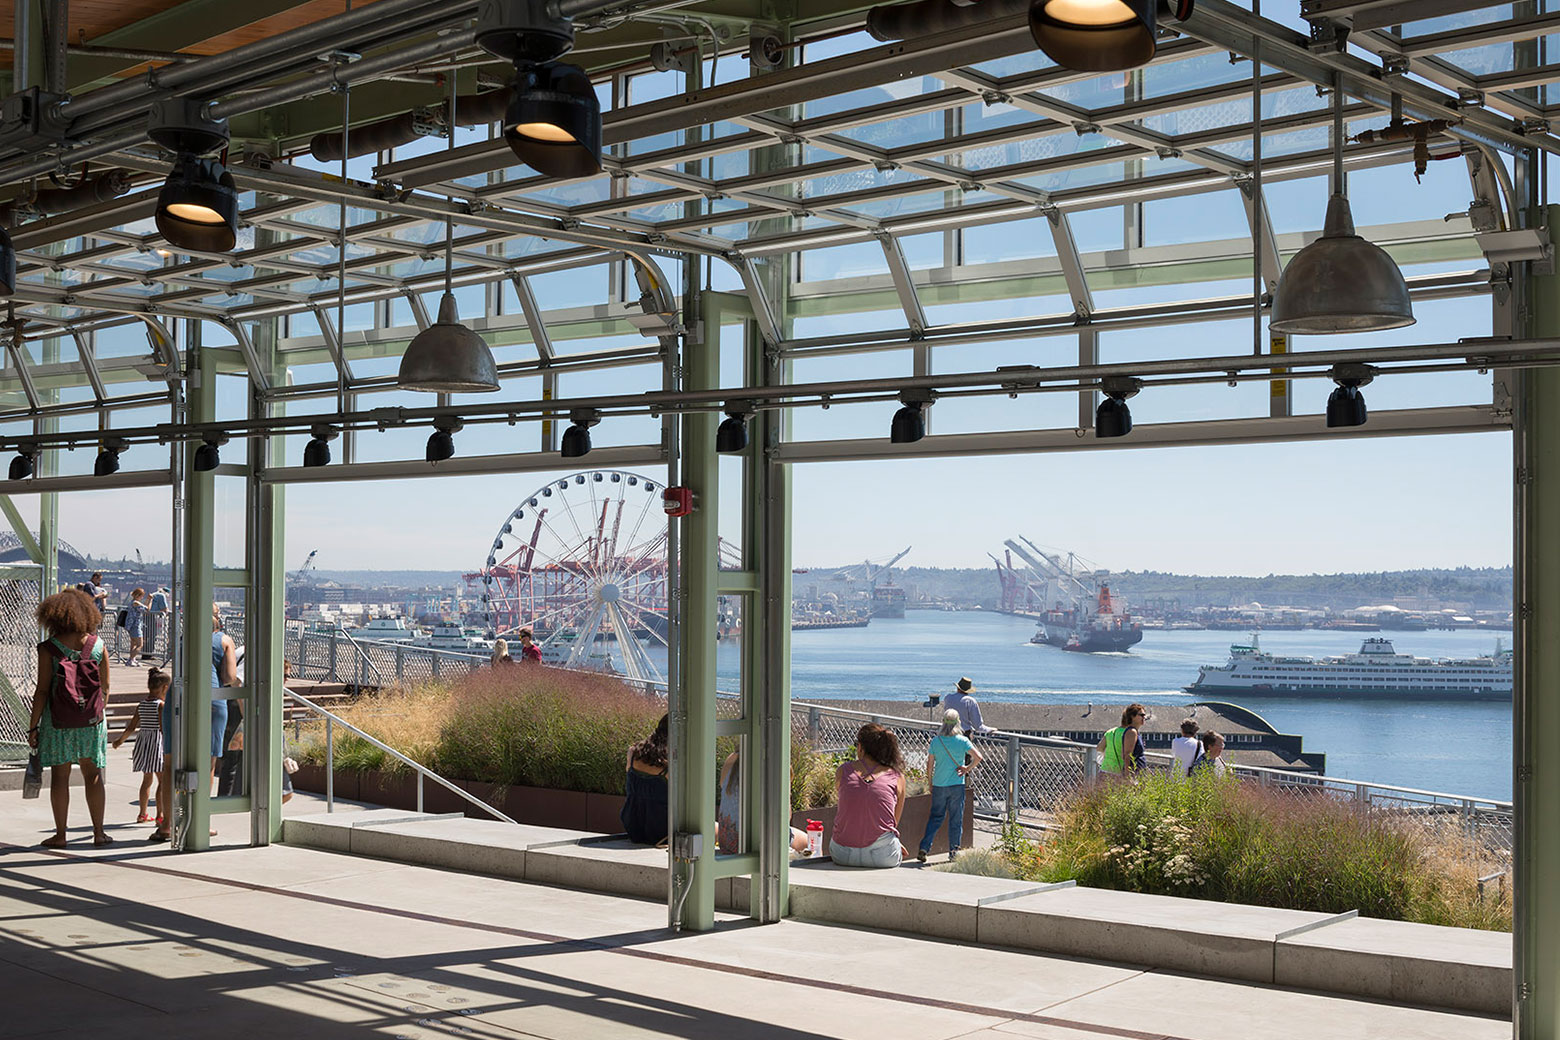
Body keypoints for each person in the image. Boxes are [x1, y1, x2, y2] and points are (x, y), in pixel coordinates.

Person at [26, 588, 112, 847]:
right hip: (91, 721)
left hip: (57, 721)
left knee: (60, 776)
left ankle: (61, 835)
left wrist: (33, 727)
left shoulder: (48, 649)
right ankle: (98, 832)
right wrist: (93, 713)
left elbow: (41, 691)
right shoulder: (98, 646)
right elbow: (105, 688)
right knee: (93, 774)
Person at [830, 723, 908, 868]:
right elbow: (893, 821)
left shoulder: (843, 771)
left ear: (860, 747)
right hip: (883, 855)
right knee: (890, 840)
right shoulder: (897, 777)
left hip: (842, 853)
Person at [917, 709, 982, 863]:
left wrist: (930, 782)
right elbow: (979, 757)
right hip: (956, 785)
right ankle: (953, 852)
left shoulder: (936, 741)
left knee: (936, 817)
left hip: (939, 784)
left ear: (943, 722)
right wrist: (967, 768)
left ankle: (925, 847)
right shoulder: (962, 741)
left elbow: (929, 764)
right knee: (956, 819)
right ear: (958, 722)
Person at [716, 750, 810, 856]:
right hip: (762, 846)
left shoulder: (732, 760)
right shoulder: (778, 765)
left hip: (728, 843)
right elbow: (786, 816)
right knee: (809, 842)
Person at [112, 668, 169, 824]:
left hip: (143, 743)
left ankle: (142, 814)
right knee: (163, 781)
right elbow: (163, 729)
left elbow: (131, 727)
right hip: (156, 744)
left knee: (147, 780)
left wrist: (119, 741)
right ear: (164, 688)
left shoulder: (141, 704)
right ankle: (160, 815)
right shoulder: (161, 705)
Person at [621, 714, 669, 845]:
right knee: (715, 829)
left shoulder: (633, 752)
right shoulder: (670, 763)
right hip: (663, 831)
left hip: (633, 826)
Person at [211, 606, 239, 793]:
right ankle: (202, 816)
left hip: (181, 696)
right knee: (209, 761)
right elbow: (230, 678)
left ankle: (167, 818)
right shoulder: (224, 640)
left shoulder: (184, 638)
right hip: (214, 698)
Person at [1097, 703, 1147, 780]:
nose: (1144, 717)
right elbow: (1127, 754)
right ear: (1131, 717)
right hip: (1119, 772)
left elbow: (1099, 748)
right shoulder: (1130, 733)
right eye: (1142, 715)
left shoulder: (1111, 732)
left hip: (1105, 768)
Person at [124, 587, 148, 667]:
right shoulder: (136, 603)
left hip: (131, 626)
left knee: (133, 644)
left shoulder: (132, 602)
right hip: (135, 626)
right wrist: (150, 600)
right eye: (142, 596)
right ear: (138, 595)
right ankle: (130, 660)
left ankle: (132, 659)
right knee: (140, 644)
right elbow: (147, 609)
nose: (142, 597)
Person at [148, 585, 170, 661]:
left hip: (147, 616)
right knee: (152, 636)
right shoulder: (162, 596)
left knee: (148, 635)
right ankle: (149, 653)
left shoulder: (155, 594)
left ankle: (146, 654)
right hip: (153, 617)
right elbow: (164, 608)